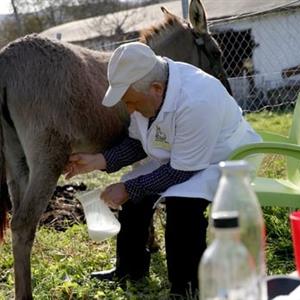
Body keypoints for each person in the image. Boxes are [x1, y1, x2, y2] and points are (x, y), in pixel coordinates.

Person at [64, 42, 261, 298]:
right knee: (135, 191)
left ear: (156, 89)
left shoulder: (197, 100)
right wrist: (99, 160)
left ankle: (186, 285)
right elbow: (138, 142)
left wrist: (128, 188)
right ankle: (129, 269)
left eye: (132, 102)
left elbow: (181, 172)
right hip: (180, 155)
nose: (130, 109)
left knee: (183, 203)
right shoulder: (149, 89)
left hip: (224, 158)